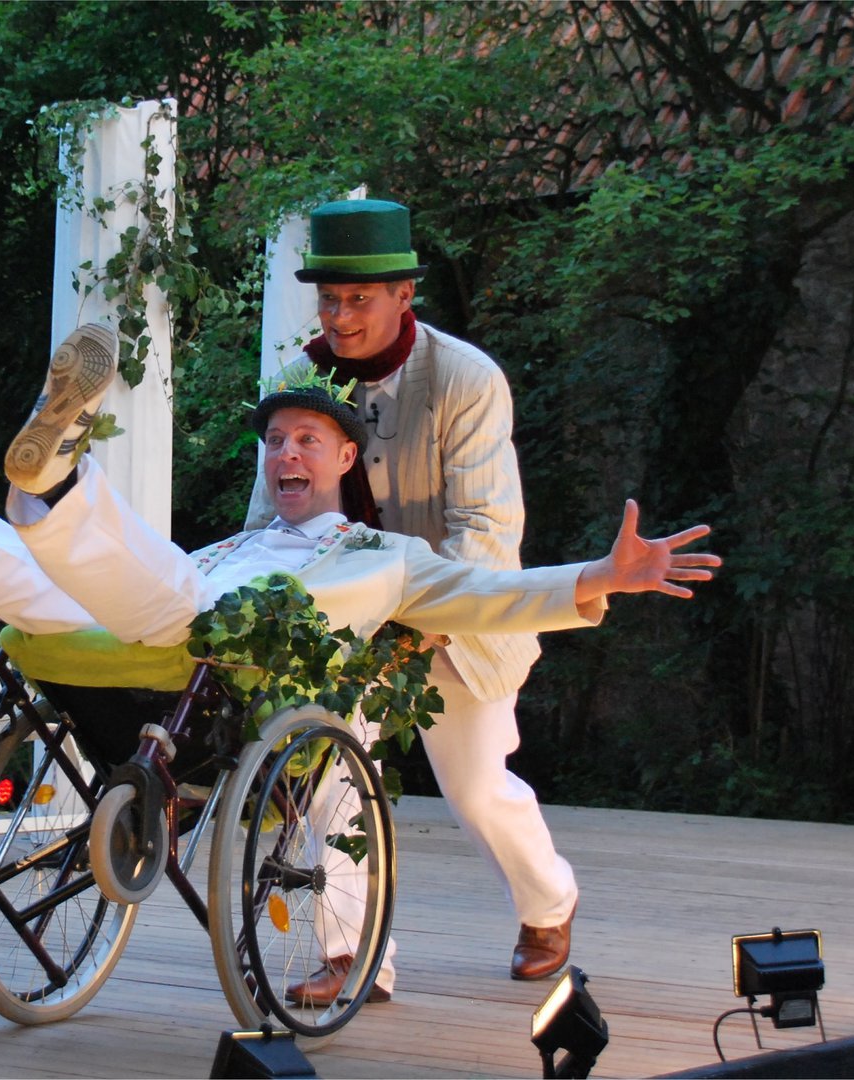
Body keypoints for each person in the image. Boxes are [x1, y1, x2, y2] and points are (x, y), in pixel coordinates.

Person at [0, 315, 718, 997]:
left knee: (159, 592)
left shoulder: (382, 556)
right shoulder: (233, 542)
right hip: (150, 634)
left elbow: (488, 593)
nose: (284, 455)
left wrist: (602, 575)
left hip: (225, 662)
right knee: (13, 561)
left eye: (306, 440)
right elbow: (132, 580)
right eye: (273, 442)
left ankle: (53, 484)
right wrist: (4, 595)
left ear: (344, 460)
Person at [244, 197, 586, 993]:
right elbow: (269, 519)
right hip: (343, 619)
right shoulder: (301, 379)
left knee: (475, 789)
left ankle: (548, 901)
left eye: (358, 299)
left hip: (458, 617)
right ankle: (352, 955)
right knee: (324, 772)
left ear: (404, 295)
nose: (339, 316)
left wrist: (418, 624)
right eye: (329, 299)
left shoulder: (465, 378)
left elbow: (484, 530)